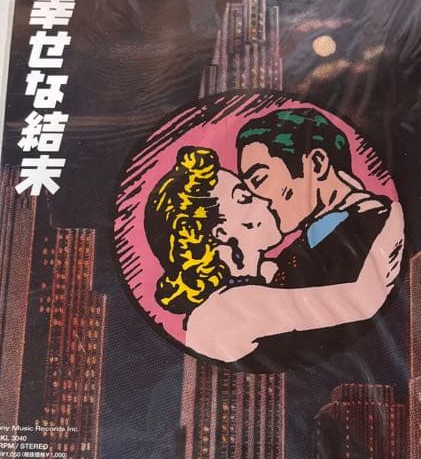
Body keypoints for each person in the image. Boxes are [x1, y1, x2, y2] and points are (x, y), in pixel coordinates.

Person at [144, 145, 403, 366]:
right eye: (245, 198)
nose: (265, 200)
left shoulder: (262, 278)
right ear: (221, 232)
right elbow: (363, 299)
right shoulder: (226, 307)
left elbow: (307, 248)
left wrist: (351, 202)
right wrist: (394, 212)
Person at [235, 106, 398, 369]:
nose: (255, 201)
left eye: (259, 179)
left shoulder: (380, 226)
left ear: (317, 164)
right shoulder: (294, 251)